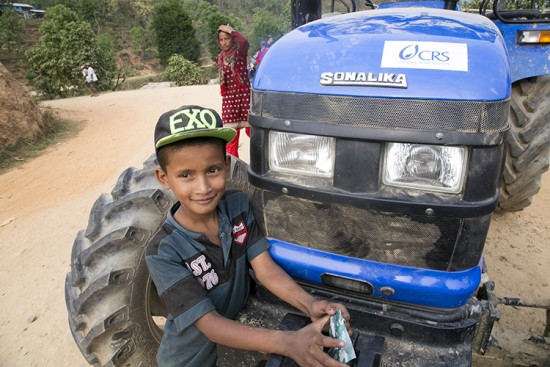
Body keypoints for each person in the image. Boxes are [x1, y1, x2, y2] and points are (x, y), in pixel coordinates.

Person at [146, 104, 352, 367]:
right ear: (164, 178)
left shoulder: (238, 206)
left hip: (232, 346)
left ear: (227, 164)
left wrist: (310, 304)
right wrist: (289, 342)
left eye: (212, 170)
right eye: (186, 175)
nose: (203, 187)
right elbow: (209, 325)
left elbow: (265, 269)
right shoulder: (164, 250)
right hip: (189, 359)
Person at [216, 24, 250, 158]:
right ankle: (233, 171)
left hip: (245, 99)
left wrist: (231, 30)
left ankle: (259, 167)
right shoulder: (219, 58)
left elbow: (244, 42)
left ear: (232, 39)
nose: (224, 42)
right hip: (229, 101)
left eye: (227, 38)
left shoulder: (240, 52)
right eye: (221, 39)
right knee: (230, 139)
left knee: (254, 134)